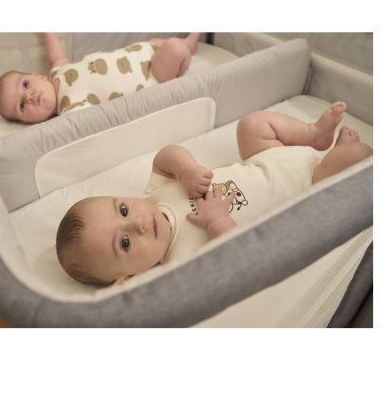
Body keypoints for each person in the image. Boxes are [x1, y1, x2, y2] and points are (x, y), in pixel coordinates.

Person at [56, 102, 373, 286]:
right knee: (357, 157)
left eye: (123, 210)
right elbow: (242, 256)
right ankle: (336, 157)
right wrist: (216, 220)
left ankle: (313, 135)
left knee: (251, 125)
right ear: (129, 279)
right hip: (308, 186)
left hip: (266, 157)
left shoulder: (154, 195)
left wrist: (186, 169)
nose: (137, 223)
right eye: (125, 243)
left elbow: (164, 156)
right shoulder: (181, 262)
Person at [0, 32, 201, 124]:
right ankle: (189, 45)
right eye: (21, 106)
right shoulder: (70, 111)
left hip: (142, 51)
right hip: (153, 75)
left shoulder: (58, 71)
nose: (28, 96)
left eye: (25, 84)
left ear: (37, 75)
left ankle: (185, 45)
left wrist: (47, 31)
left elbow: (56, 55)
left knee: (158, 42)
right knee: (175, 47)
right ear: (27, 123)